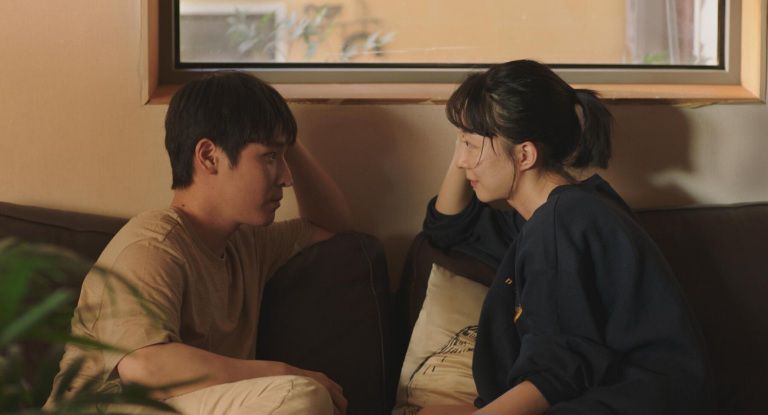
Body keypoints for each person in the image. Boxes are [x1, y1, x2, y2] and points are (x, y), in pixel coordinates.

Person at [45, 71, 353, 415]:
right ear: (209, 156)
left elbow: (331, 226)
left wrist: (285, 137)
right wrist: (282, 372)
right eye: (269, 157)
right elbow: (144, 367)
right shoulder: (151, 246)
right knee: (299, 394)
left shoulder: (248, 244)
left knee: (302, 395)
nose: (286, 177)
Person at [418, 60, 709, 415]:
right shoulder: (558, 213)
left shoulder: (560, 223)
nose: (462, 161)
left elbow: (557, 373)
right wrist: (470, 129)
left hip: (631, 401)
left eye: (470, 145)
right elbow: (447, 227)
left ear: (525, 154)